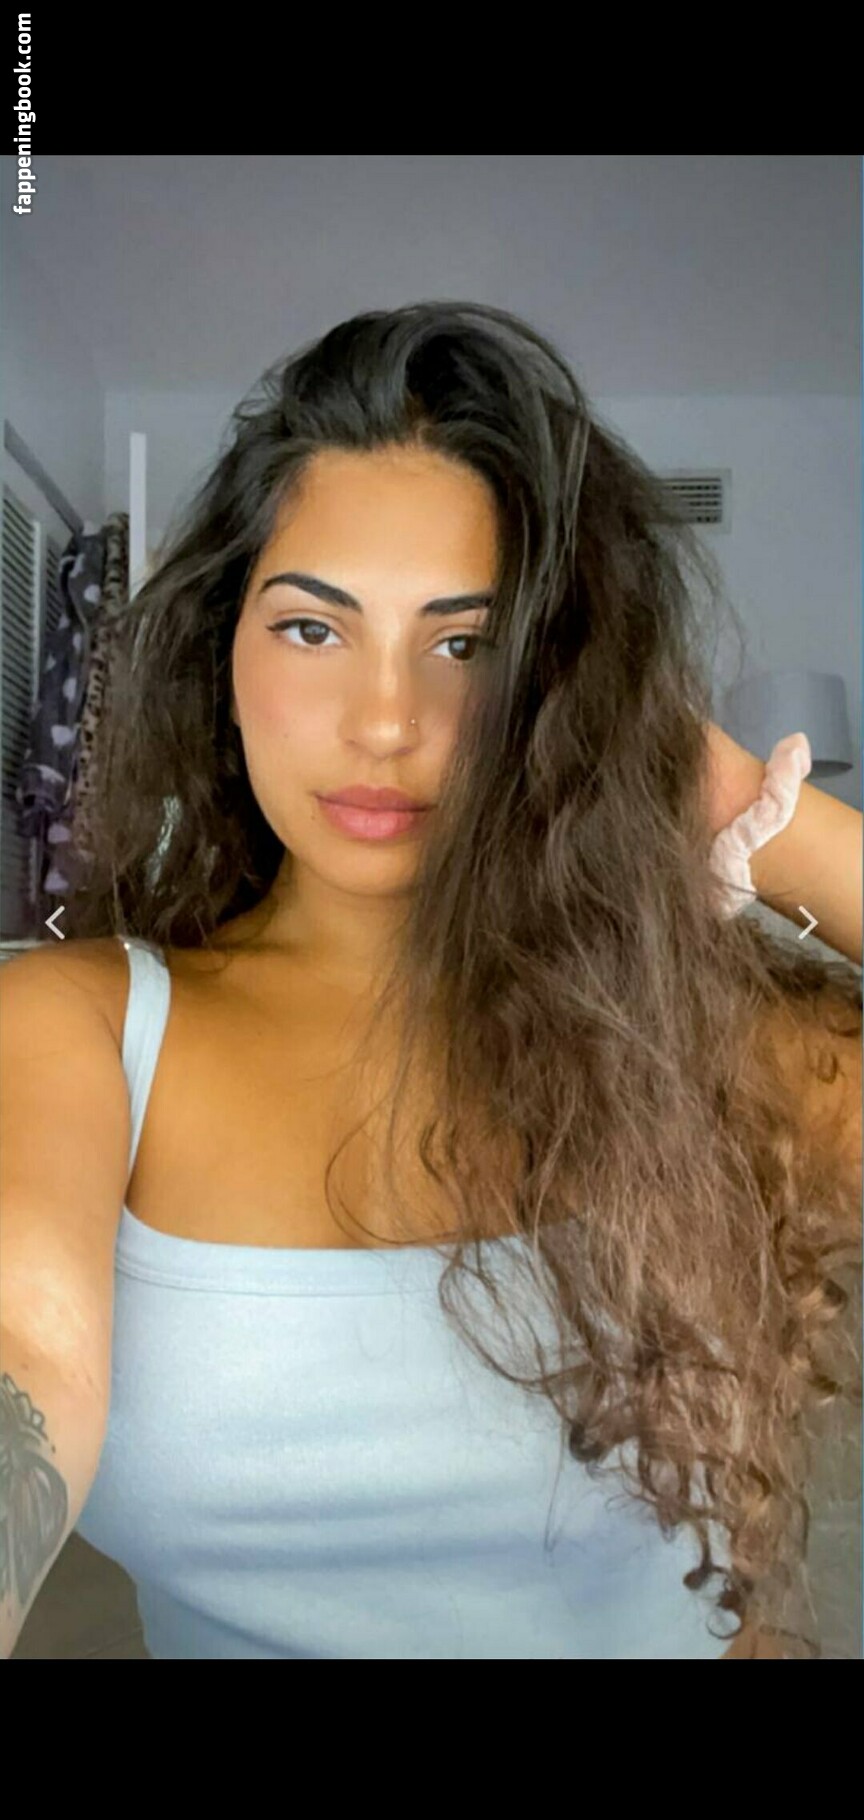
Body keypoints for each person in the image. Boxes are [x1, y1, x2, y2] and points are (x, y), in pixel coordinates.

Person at [2, 302, 860, 1660]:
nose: (388, 720)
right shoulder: (83, 1032)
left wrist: (745, 796)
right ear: (224, 655)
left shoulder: (702, 1037)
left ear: (559, 689)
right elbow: (25, 1351)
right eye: (313, 630)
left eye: (469, 646)